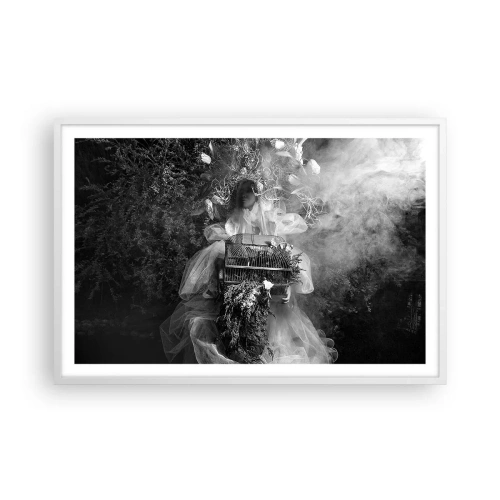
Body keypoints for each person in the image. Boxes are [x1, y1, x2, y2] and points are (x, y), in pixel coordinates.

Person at [160, 179, 336, 363]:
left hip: (269, 298)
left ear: (259, 195)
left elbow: (283, 263)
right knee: (226, 336)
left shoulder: (271, 223)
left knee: (270, 340)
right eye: (242, 191)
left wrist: (287, 288)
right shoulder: (231, 225)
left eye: (250, 191)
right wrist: (222, 280)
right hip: (235, 294)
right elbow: (222, 263)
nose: (244, 195)